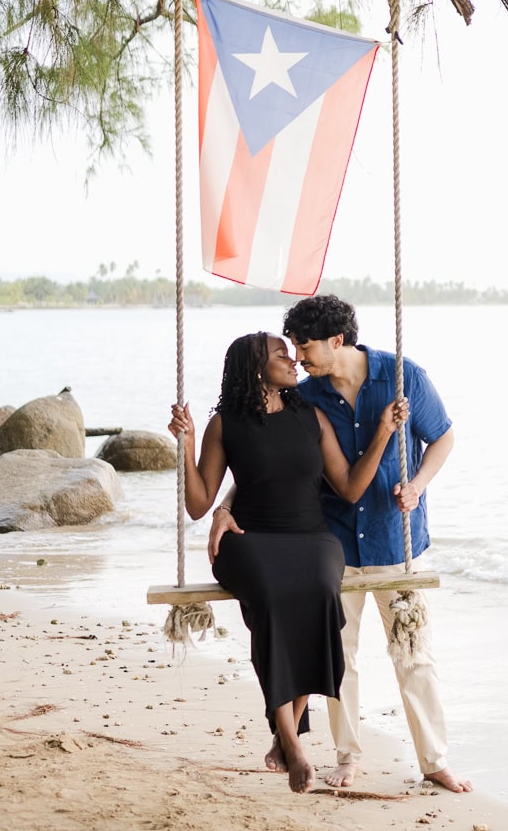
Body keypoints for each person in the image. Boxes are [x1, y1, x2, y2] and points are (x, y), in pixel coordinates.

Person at [209, 296, 471, 793]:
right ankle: (346, 757)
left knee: (414, 654)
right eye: (292, 349)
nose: (298, 357)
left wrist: (417, 484)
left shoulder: (402, 378)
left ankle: (434, 761)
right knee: (338, 658)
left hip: (397, 540)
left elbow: (443, 439)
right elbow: (270, 460)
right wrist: (226, 506)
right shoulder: (306, 397)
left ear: (337, 341)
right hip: (331, 544)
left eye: (304, 347)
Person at [168, 331, 406, 793]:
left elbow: (350, 487)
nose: (293, 360)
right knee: (274, 604)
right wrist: (187, 442)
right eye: (282, 355)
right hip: (248, 538)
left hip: (312, 537)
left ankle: (284, 732)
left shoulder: (309, 415)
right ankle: (294, 746)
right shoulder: (226, 424)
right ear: (256, 368)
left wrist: (383, 432)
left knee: (320, 596)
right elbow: (198, 505)